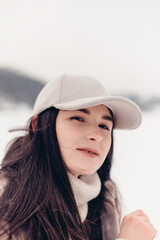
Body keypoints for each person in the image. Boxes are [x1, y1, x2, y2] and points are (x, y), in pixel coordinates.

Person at [0, 74, 157, 240]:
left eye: (104, 126)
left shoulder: (104, 199)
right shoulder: (9, 200)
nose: (97, 136)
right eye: (78, 118)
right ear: (37, 125)